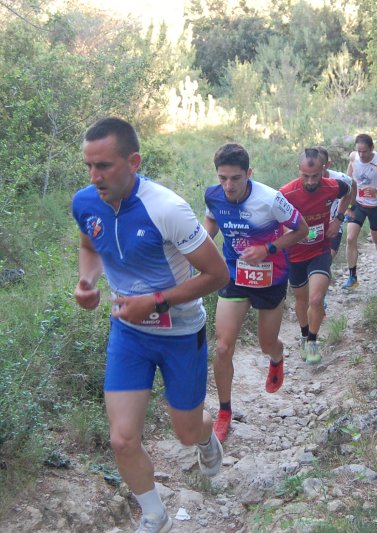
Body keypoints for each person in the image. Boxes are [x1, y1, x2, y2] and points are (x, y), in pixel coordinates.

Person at [71, 117, 230, 533]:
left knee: (184, 429)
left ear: (133, 161)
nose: (94, 176)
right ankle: (154, 513)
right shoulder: (85, 202)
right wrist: (87, 281)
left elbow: (218, 275)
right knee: (122, 438)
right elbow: (91, 245)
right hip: (129, 334)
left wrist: (155, 301)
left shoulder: (167, 208)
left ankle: (203, 436)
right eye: (88, 165)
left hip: (180, 333)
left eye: (103, 166)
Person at [204, 143, 308, 442]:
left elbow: (301, 230)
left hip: (270, 278)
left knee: (266, 344)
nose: (228, 185)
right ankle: (224, 412)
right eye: (223, 177)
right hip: (234, 274)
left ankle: (277, 356)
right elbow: (212, 218)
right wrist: (203, 241)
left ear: (249, 173)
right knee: (223, 347)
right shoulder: (213, 195)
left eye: (235, 178)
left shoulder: (270, 199)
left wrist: (268, 248)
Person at [279, 148, 353, 363]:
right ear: (298, 171)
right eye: (305, 176)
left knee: (316, 298)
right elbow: (275, 219)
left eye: (315, 176)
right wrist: (287, 233)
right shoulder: (286, 193)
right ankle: (304, 335)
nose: (310, 181)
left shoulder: (333, 186)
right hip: (295, 253)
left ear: (324, 169)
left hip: (320, 250)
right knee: (302, 300)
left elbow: (350, 191)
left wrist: (339, 219)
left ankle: (312, 340)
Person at [341, 133, 377, 289]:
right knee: (351, 239)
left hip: (376, 207)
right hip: (358, 204)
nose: (361, 154)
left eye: (364, 151)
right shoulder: (353, 157)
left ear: (372, 148)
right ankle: (352, 278)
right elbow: (348, 179)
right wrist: (347, 204)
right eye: (358, 151)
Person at [314, 146, 354, 260]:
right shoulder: (308, 181)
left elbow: (353, 185)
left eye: (319, 167)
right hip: (315, 228)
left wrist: (350, 207)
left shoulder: (340, 178)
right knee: (318, 264)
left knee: (327, 260)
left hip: (335, 224)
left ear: (327, 164)